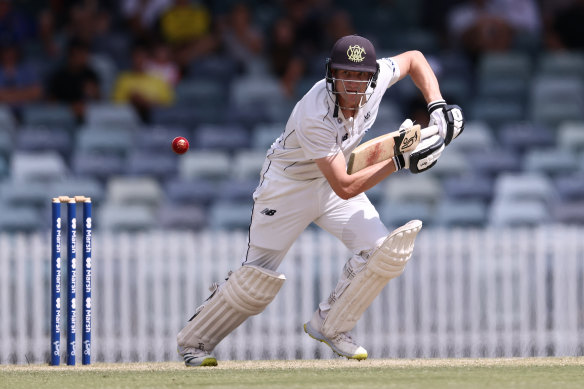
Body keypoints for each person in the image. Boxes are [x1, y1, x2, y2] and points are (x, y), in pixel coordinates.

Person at [177, 35, 464, 366]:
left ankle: (331, 325)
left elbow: (414, 57)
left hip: (331, 179)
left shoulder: (379, 78)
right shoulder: (315, 113)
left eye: (359, 76)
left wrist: (436, 106)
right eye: (345, 74)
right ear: (331, 75)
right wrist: (398, 162)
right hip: (287, 186)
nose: (352, 84)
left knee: (383, 251)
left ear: (371, 76)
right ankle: (194, 343)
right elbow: (343, 186)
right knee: (255, 280)